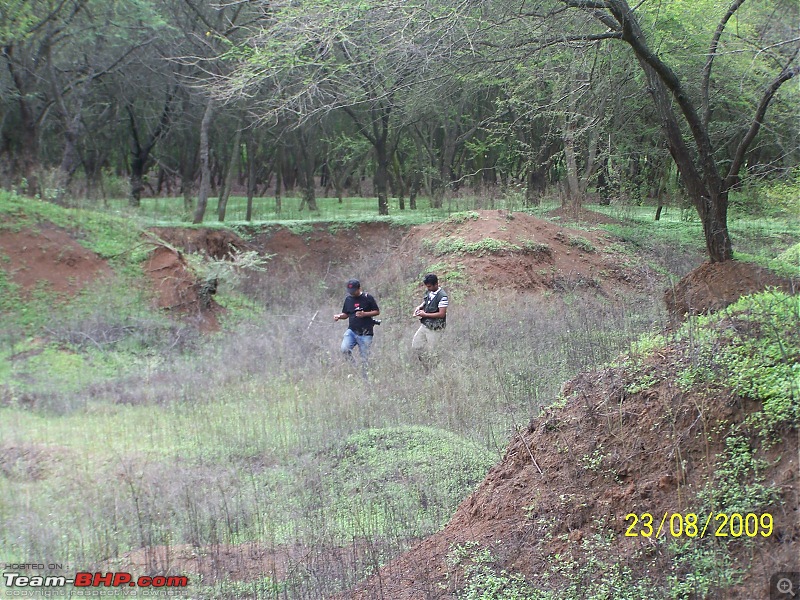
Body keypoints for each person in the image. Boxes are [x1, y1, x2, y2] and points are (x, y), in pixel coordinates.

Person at [334, 278, 380, 365]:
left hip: (366, 332)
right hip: (352, 331)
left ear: (359, 289)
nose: (351, 293)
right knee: (344, 349)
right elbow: (346, 314)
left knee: (364, 358)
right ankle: (353, 366)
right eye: (350, 291)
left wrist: (364, 314)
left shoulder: (367, 298)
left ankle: (365, 375)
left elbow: (377, 311)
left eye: (353, 291)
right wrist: (339, 316)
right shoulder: (348, 299)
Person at [412, 273, 448, 357]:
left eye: (429, 286)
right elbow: (426, 301)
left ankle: (433, 367)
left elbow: (441, 314)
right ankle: (425, 364)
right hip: (425, 325)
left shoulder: (442, 296)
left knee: (433, 352)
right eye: (427, 286)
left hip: (435, 328)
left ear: (436, 284)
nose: (428, 288)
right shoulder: (429, 292)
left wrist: (425, 314)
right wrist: (419, 307)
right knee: (416, 346)